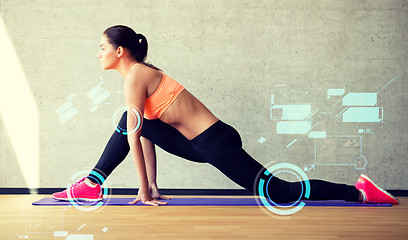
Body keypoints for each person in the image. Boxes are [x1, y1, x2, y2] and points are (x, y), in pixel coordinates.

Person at [52, 25, 399, 206]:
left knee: (279, 192)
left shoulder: (137, 75)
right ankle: (93, 185)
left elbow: (133, 132)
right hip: (197, 144)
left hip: (216, 142)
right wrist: (154, 187)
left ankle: (358, 192)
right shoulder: (136, 77)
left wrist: (142, 190)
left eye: (101, 48)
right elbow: (142, 132)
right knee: (132, 123)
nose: (98, 54)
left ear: (119, 51)